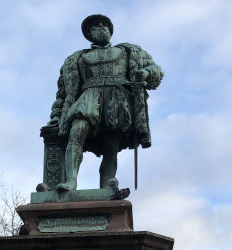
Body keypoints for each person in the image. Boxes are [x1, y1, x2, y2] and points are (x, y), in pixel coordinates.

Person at [45, 15, 163, 192]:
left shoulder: (130, 52)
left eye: (105, 25)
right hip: (89, 97)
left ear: (110, 31)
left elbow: (156, 70)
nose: (101, 26)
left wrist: (144, 74)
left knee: (111, 148)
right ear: (89, 33)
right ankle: (71, 181)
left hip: (117, 101)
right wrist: (55, 116)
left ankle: (106, 188)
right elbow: (63, 93)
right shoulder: (76, 59)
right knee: (77, 130)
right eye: (95, 26)